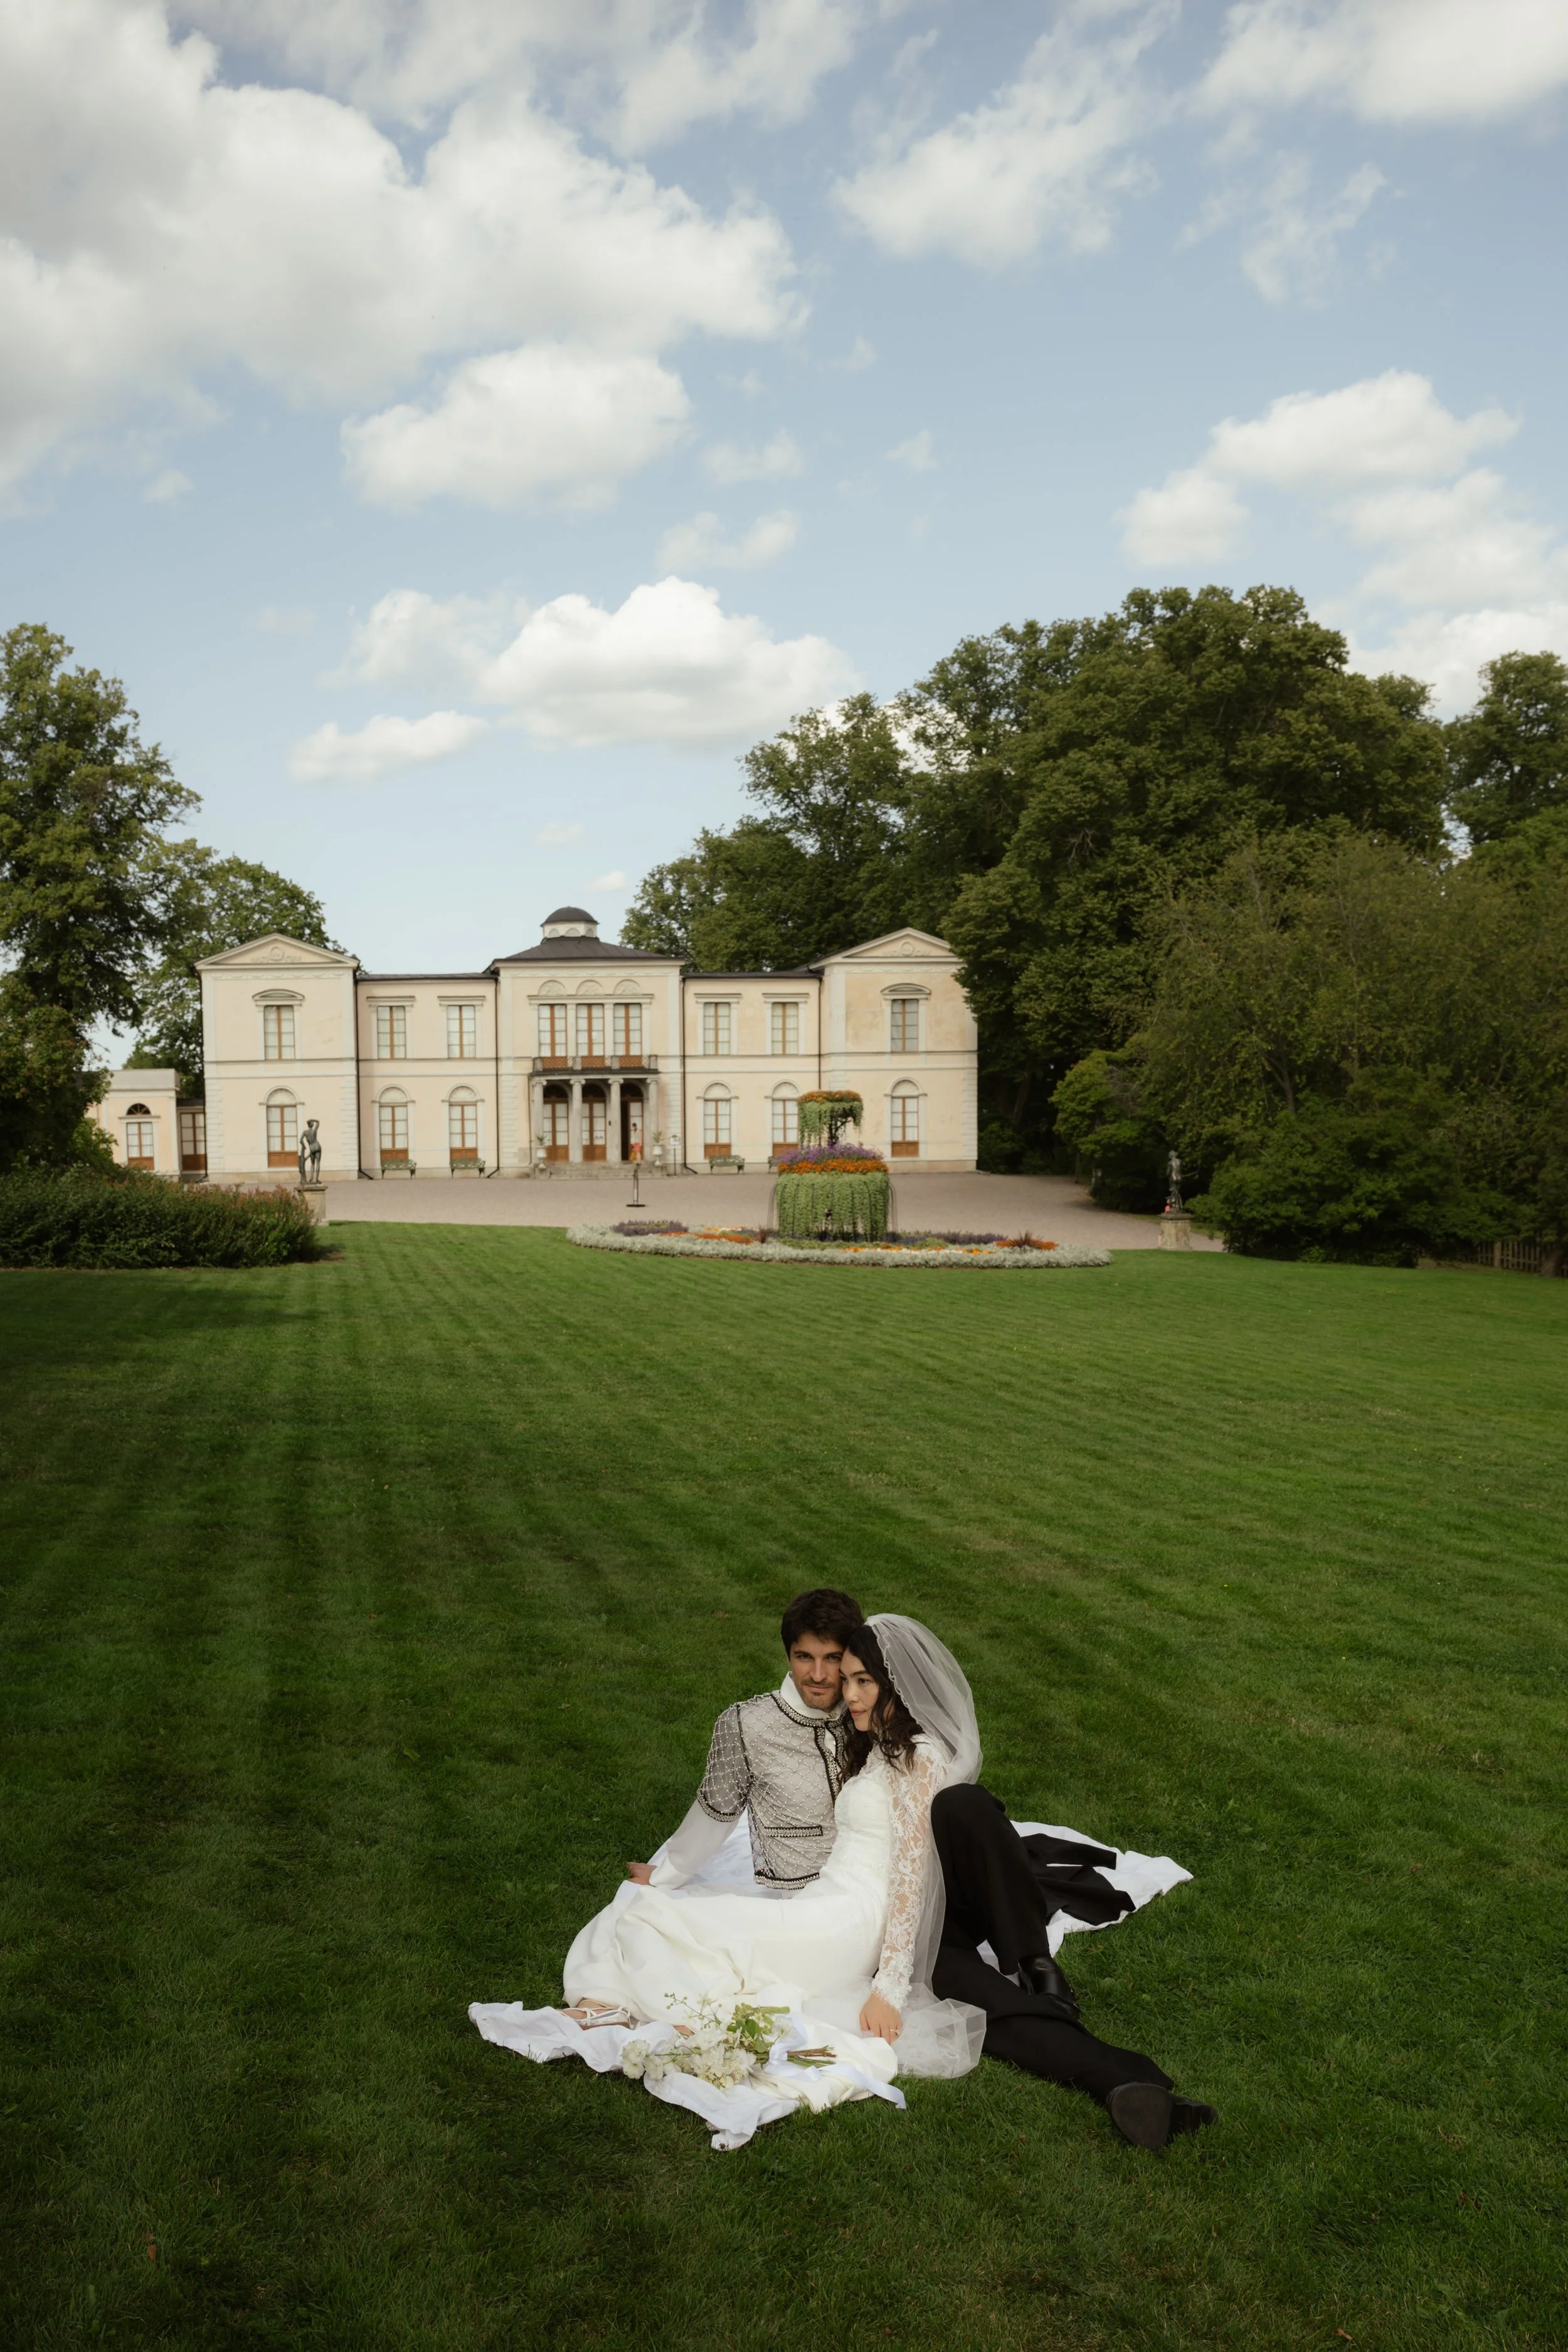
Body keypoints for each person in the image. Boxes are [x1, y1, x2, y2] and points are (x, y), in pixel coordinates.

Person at [561, 1616, 985, 2082]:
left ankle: (677, 2022)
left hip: (852, 1921)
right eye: (848, 1682)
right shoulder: (883, 1748)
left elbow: (911, 1874)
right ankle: (611, 2007)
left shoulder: (918, 1757)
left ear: (895, 1685)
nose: (848, 1695)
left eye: (863, 1682)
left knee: (654, 1917)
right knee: (646, 1909)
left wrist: (888, 1987)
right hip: (825, 1900)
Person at [625, 1586, 861, 1894]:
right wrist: (666, 1875)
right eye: (804, 1657)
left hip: (866, 1882)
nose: (818, 1675)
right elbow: (717, 1807)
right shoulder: (746, 1724)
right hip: (793, 1894)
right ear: (788, 1655)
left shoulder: (867, 1713)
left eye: (832, 1658)